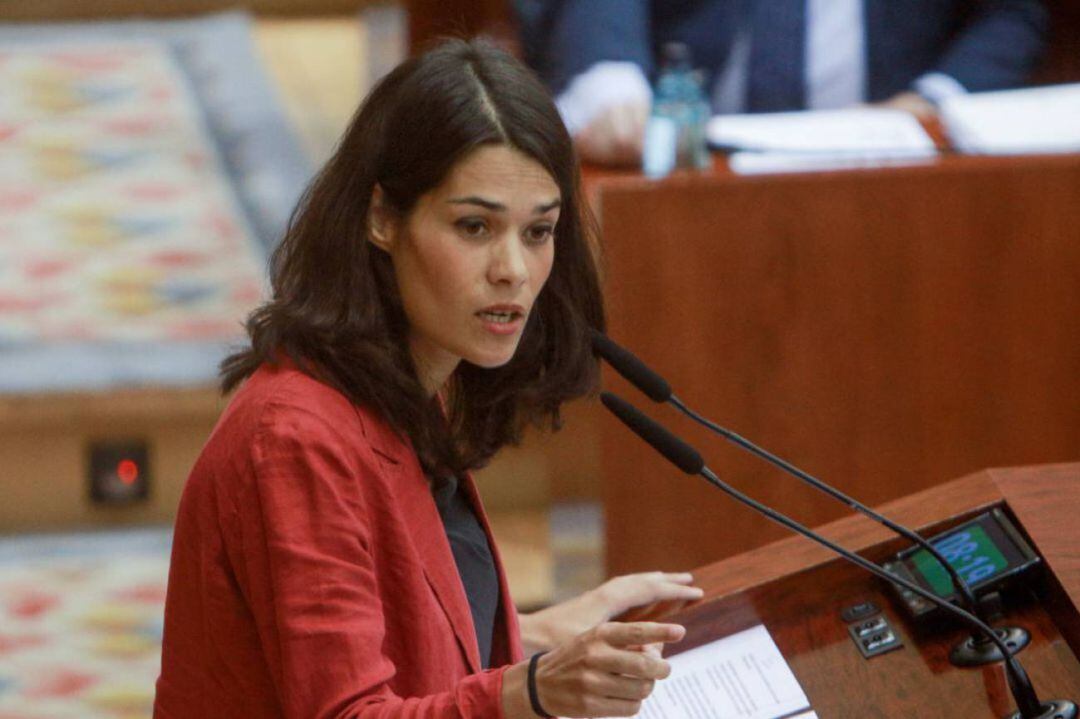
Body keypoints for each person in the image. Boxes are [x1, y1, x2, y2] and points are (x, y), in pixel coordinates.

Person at [153, 38, 704, 719]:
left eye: (538, 232)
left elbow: (389, 635)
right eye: (475, 226)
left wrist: (536, 633)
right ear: (382, 218)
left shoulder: (411, 386)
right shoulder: (296, 438)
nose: (513, 270)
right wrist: (531, 687)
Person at [516, 0, 1050, 164]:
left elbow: (1010, 12)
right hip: (690, 161)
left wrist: (932, 102)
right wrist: (611, 84)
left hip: (892, 159)